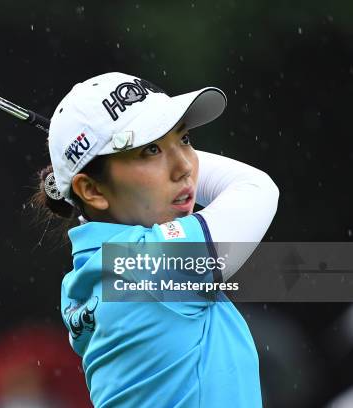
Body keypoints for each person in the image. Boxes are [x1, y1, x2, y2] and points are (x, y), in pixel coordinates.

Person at [31, 72, 279, 407]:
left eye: (186, 139)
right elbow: (255, 188)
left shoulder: (89, 272)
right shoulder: (149, 265)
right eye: (150, 149)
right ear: (91, 189)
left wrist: (110, 159)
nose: (184, 167)